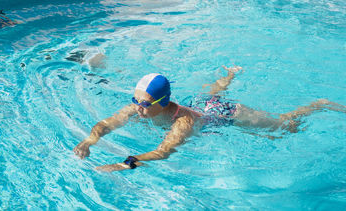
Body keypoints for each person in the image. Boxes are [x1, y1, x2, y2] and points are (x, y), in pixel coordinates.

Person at [73, 66, 346, 172]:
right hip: (199, 104)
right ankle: (228, 76)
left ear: (162, 102)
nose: (136, 108)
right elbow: (106, 123)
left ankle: (318, 105)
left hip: (222, 115)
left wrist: (125, 164)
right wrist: (89, 140)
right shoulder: (140, 107)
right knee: (208, 93)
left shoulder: (183, 123)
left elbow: (163, 152)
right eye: (135, 101)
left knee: (285, 127)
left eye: (143, 103)